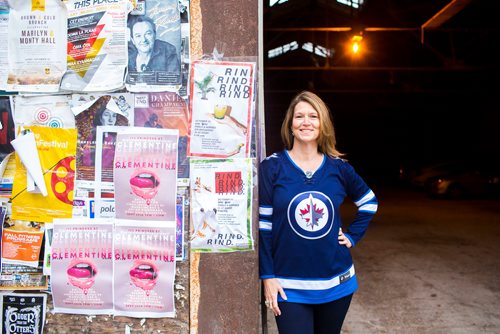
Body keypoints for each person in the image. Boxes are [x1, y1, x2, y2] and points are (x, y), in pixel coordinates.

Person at [259, 91, 378, 333]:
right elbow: (264, 226)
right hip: (288, 285)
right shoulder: (272, 167)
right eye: (299, 116)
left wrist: (353, 236)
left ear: (322, 124)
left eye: (313, 116)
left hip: (336, 282)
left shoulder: (338, 168)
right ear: (290, 125)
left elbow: (369, 203)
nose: (306, 122)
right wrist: (267, 276)